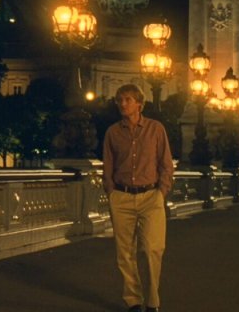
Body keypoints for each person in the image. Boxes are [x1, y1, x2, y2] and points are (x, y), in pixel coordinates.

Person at [103, 84, 174, 312]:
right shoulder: (112, 132)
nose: (122, 104)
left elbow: (166, 163)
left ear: (139, 104)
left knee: (154, 249)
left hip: (151, 197)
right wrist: (111, 191)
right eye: (119, 100)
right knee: (124, 253)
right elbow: (108, 166)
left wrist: (161, 191)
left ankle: (152, 301)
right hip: (121, 197)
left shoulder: (156, 129)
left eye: (127, 100)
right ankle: (133, 300)